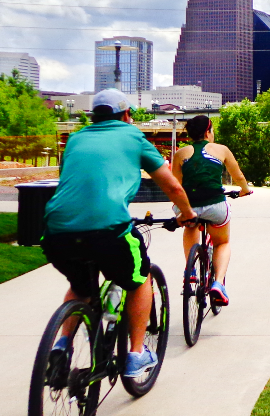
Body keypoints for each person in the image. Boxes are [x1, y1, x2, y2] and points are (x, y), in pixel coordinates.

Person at [41, 89, 196, 380]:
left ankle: (62, 345)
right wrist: (187, 214)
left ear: (94, 117)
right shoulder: (134, 137)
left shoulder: (75, 139)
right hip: (108, 230)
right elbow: (173, 186)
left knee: (81, 286)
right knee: (140, 279)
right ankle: (135, 355)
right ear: (127, 116)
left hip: (56, 232)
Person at [170, 114, 249, 306]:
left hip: (189, 206)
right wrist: (245, 190)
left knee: (190, 226)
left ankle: (191, 272)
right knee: (222, 243)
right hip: (215, 205)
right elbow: (237, 175)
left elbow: (176, 185)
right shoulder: (221, 150)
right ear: (208, 131)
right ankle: (218, 284)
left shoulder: (180, 154)